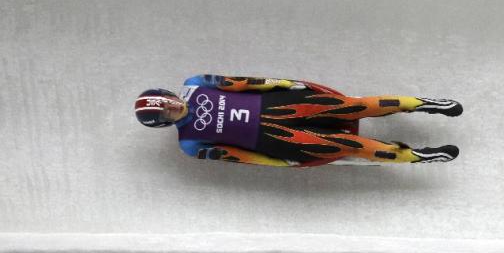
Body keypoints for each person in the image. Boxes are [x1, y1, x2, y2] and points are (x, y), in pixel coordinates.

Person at [134, 75, 462, 166]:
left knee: (353, 106)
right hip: (277, 141)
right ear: (163, 122)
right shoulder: (190, 144)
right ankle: (417, 156)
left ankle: (422, 103)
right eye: (164, 112)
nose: (172, 108)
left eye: (167, 101)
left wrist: (284, 84)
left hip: (286, 104)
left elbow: (243, 82)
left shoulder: (197, 83)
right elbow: (241, 157)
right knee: (350, 146)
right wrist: (280, 163)